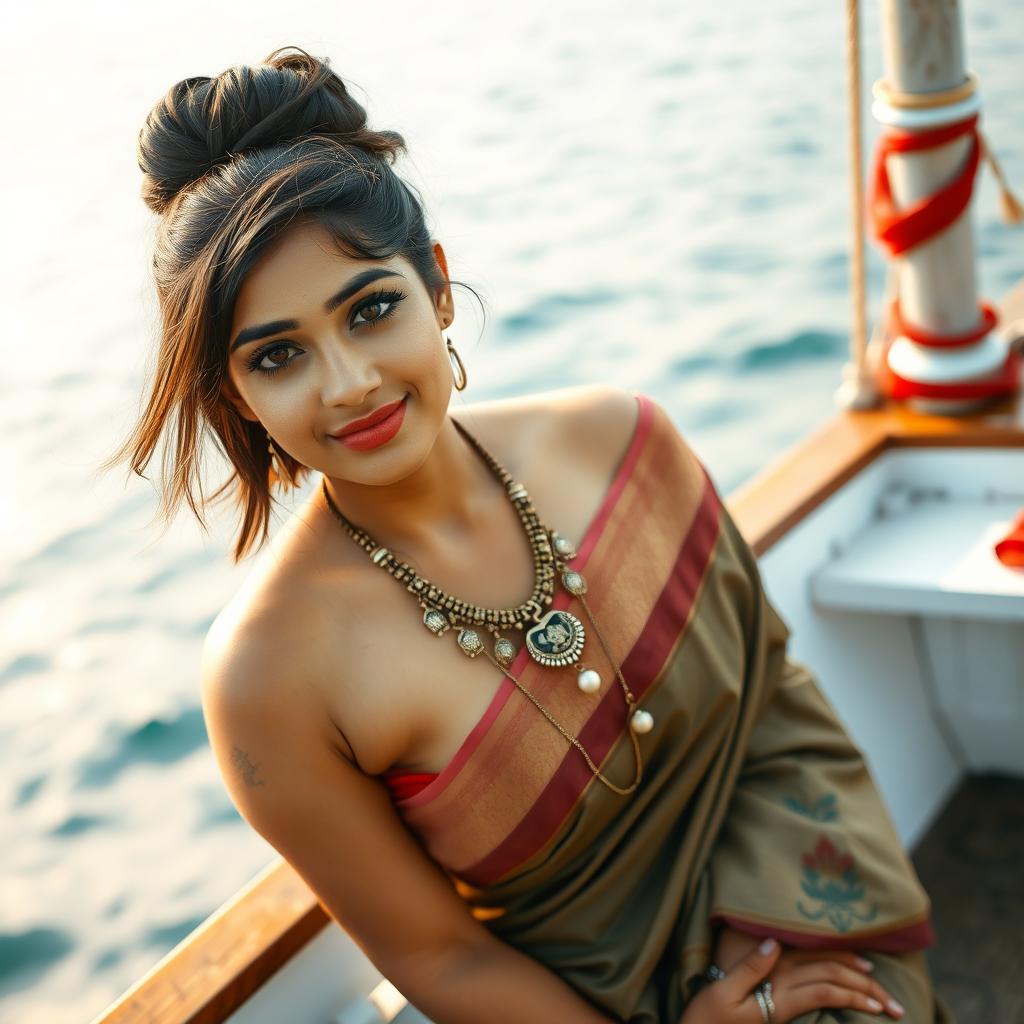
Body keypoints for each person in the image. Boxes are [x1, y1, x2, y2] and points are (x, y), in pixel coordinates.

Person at [106, 44, 955, 1024]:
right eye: (280, 354)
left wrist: (768, 935)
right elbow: (446, 959)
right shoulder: (269, 674)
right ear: (237, 396)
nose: (347, 384)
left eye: (372, 309)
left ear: (437, 285)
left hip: (798, 887)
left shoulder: (618, 440)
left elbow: (769, 704)